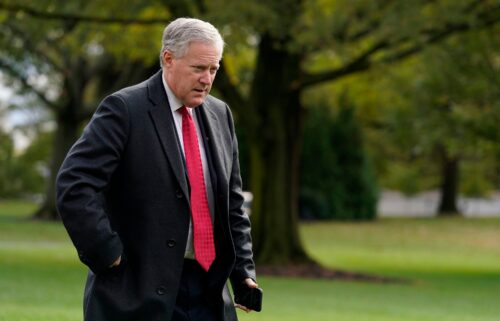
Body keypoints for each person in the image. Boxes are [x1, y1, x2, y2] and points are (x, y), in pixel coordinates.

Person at [56, 17, 258, 321]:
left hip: (209, 293)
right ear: (168, 59)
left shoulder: (220, 114)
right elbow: (75, 184)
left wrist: (243, 269)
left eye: (213, 69)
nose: (207, 79)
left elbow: (231, 201)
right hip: (136, 291)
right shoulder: (124, 109)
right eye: (199, 68)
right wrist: (106, 252)